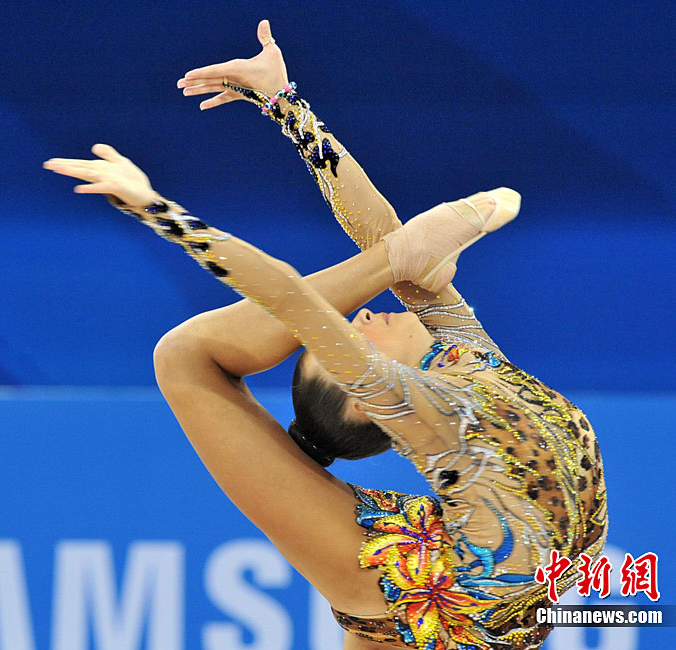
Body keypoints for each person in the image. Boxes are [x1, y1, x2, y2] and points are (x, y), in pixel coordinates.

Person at [43, 21, 607, 650]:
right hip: (447, 592)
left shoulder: (465, 359)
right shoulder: (421, 403)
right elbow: (292, 292)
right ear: (369, 401)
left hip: (466, 584)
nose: (355, 319)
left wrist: (285, 104)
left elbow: (387, 239)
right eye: (343, 344)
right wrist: (156, 210)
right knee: (185, 355)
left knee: (384, 261)